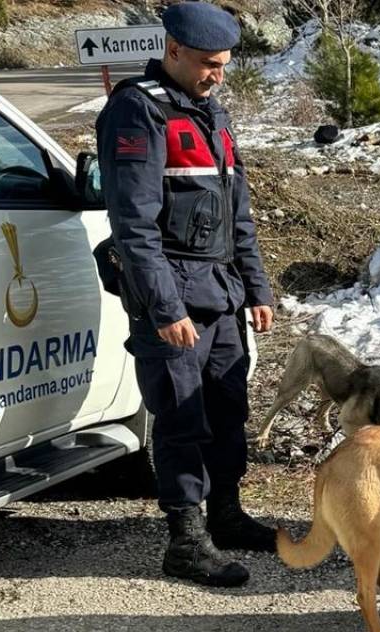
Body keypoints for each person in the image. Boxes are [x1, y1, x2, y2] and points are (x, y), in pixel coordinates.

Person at [96, 1, 275, 588]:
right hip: (174, 299)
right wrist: (165, 308)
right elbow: (133, 226)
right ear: (172, 50)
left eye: (222, 65)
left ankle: (226, 515)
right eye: (207, 64)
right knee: (181, 419)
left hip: (222, 296)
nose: (216, 75)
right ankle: (185, 539)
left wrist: (257, 287)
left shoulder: (209, 113)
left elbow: (236, 215)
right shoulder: (136, 111)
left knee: (228, 412)